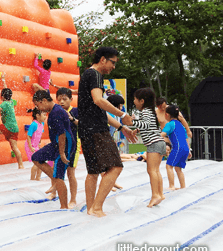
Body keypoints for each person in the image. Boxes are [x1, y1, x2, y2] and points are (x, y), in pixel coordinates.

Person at [78, 47, 137, 217]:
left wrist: (121, 127)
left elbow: (99, 110)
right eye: (113, 62)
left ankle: (91, 209)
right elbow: (99, 100)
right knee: (116, 167)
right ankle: (97, 208)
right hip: (96, 130)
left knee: (93, 171)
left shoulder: (87, 74)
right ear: (103, 59)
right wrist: (123, 114)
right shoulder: (95, 74)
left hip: (87, 128)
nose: (113, 67)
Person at [31, 91, 77, 209]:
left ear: (44, 101)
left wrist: (61, 153)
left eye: (38, 105)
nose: (38, 109)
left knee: (60, 176)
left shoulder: (56, 112)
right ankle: (55, 179)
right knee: (36, 157)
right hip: (57, 144)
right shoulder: (53, 111)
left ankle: (64, 206)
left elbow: (62, 134)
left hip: (65, 145)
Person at [121, 88, 165, 208]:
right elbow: (149, 126)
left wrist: (131, 122)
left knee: (151, 170)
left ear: (142, 101)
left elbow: (145, 124)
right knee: (156, 170)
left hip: (154, 143)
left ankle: (155, 195)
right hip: (159, 143)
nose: (134, 101)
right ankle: (160, 194)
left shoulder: (145, 111)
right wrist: (138, 130)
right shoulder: (150, 111)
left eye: (135, 99)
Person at [56, 87, 81, 208]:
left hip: (73, 146)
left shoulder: (75, 111)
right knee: (57, 171)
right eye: (59, 99)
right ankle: (56, 192)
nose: (61, 102)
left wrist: (71, 118)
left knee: (71, 172)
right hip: (61, 146)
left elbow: (82, 124)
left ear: (71, 99)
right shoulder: (57, 112)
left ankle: (73, 199)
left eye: (64, 99)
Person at [161, 105, 190, 190]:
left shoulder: (170, 124)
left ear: (166, 115)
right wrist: (189, 150)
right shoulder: (180, 125)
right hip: (185, 148)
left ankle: (171, 186)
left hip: (178, 148)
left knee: (169, 166)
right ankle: (183, 186)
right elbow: (186, 137)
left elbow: (163, 134)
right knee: (178, 168)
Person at [25, 107, 48, 181]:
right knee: (37, 163)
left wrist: (39, 143)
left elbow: (40, 134)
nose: (45, 116)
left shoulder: (42, 123)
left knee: (41, 162)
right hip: (30, 146)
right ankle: (32, 179)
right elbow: (28, 136)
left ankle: (38, 178)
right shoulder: (34, 124)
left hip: (36, 146)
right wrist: (30, 147)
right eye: (44, 115)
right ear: (38, 115)